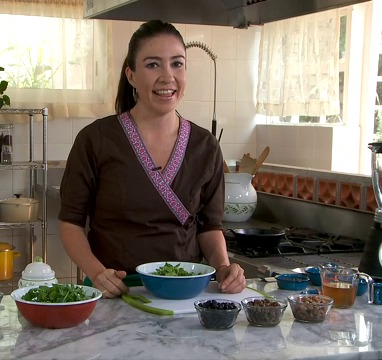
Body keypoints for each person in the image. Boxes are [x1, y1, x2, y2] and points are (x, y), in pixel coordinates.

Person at [58, 19, 246, 299]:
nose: (167, 77)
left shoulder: (205, 145)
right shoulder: (96, 139)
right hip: (117, 290)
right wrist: (97, 273)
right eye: (153, 64)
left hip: (185, 292)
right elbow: (70, 222)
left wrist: (222, 266)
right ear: (131, 75)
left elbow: (210, 226)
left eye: (177, 64)